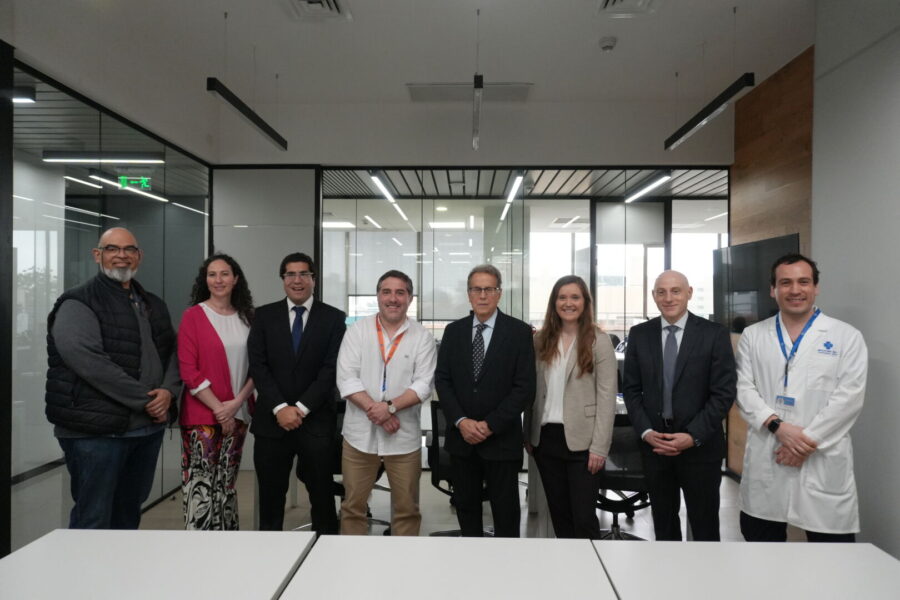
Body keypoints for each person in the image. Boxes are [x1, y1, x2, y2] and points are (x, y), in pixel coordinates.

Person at [45, 227, 180, 529]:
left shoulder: (152, 303)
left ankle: (119, 575)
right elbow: (89, 362)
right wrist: (146, 400)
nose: (122, 256)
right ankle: (84, 577)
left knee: (128, 514)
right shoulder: (78, 303)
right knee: (93, 518)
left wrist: (169, 393)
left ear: (139, 256)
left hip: (145, 431)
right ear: (98, 255)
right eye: (112, 249)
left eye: (129, 249)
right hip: (96, 434)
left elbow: (173, 353)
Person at [736, 254, 867, 542]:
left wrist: (804, 443)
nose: (795, 290)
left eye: (803, 282)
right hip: (768, 458)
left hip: (821, 459)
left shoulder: (846, 336)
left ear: (816, 287)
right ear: (773, 289)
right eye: (786, 283)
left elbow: (849, 398)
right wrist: (778, 427)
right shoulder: (753, 336)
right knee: (762, 554)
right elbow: (744, 390)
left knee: (831, 557)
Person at [623, 270, 736, 541]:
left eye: (675, 291)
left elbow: (723, 393)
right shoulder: (640, 334)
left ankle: (705, 581)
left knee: (704, 524)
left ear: (689, 293)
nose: (668, 297)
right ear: (653, 296)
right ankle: (667, 579)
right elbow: (631, 389)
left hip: (700, 447)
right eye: (661, 292)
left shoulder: (714, 334)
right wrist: (647, 432)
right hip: (656, 445)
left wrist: (692, 435)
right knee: (663, 524)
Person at [248, 252, 346, 533]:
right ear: (282, 280)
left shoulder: (334, 318)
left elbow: (331, 370)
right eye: (290, 274)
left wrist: (300, 408)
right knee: (270, 498)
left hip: (315, 422)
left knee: (322, 498)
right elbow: (258, 365)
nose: (297, 280)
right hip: (272, 422)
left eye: (304, 274)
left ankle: (325, 555)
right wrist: (280, 407)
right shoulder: (264, 316)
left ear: (314, 279)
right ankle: (270, 558)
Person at [435, 264, 536, 537]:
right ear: (468, 294)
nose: (482, 295)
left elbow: (524, 388)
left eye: (489, 289)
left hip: (501, 440)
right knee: (466, 509)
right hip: (462, 440)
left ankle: (506, 570)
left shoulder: (519, 332)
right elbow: (443, 381)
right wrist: (461, 421)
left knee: (506, 512)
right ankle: (471, 567)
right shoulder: (453, 332)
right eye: (476, 289)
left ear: (499, 293)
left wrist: (490, 425)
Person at [336, 270, 437, 535]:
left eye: (400, 292)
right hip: (359, 437)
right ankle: (352, 562)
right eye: (386, 292)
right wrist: (377, 410)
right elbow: (346, 379)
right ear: (378, 296)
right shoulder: (357, 331)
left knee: (407, 510)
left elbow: (423, 384)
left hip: (403, 438)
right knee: (352, 508)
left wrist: (389, 407)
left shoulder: (422, 337)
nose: (393, 298)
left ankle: (402, 568)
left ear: (410, 298)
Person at [525, 275, 618, 539]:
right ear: (554, 303)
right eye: (562, 297)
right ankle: (569, 573)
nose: (568, 303)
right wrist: (528, 433)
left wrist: (600, 447)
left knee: (583, 518)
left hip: (584, 442)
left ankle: (592, 574)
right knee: (560, 515)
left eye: (574, 297)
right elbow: (534, 393)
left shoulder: (598, 341)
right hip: (546, 440)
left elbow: (607, 397)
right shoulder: (540, 340)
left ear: (585, 302)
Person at [178, 253, 255, 530]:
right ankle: (199, 551)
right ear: (205, 280)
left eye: (224, 274)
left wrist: (235, 405)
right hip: (201, 416)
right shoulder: (193, 316)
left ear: (235, 279)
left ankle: (227, 544)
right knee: (201, 485)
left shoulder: (249, 318)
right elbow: (189, 370)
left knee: (227, 483)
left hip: (240, 412)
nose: (218, 280)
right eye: (212, 274)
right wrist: (220, 409)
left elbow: (257, 367)